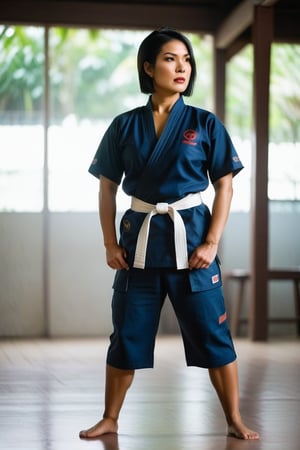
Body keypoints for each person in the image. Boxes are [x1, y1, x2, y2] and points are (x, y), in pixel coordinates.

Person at [79, 28, 259, 441]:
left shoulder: (204, 123)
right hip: (138, 246)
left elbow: (225, 183)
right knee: (125, 334)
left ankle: (234, 418)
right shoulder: (124, 125)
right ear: (148, 66)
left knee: (214, 334)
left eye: (187, 60)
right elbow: (106, 186)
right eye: (170, 59)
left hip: (193, 244)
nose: (182, 67)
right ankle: (110, 417)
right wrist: (109, 242)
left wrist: (212, 241)